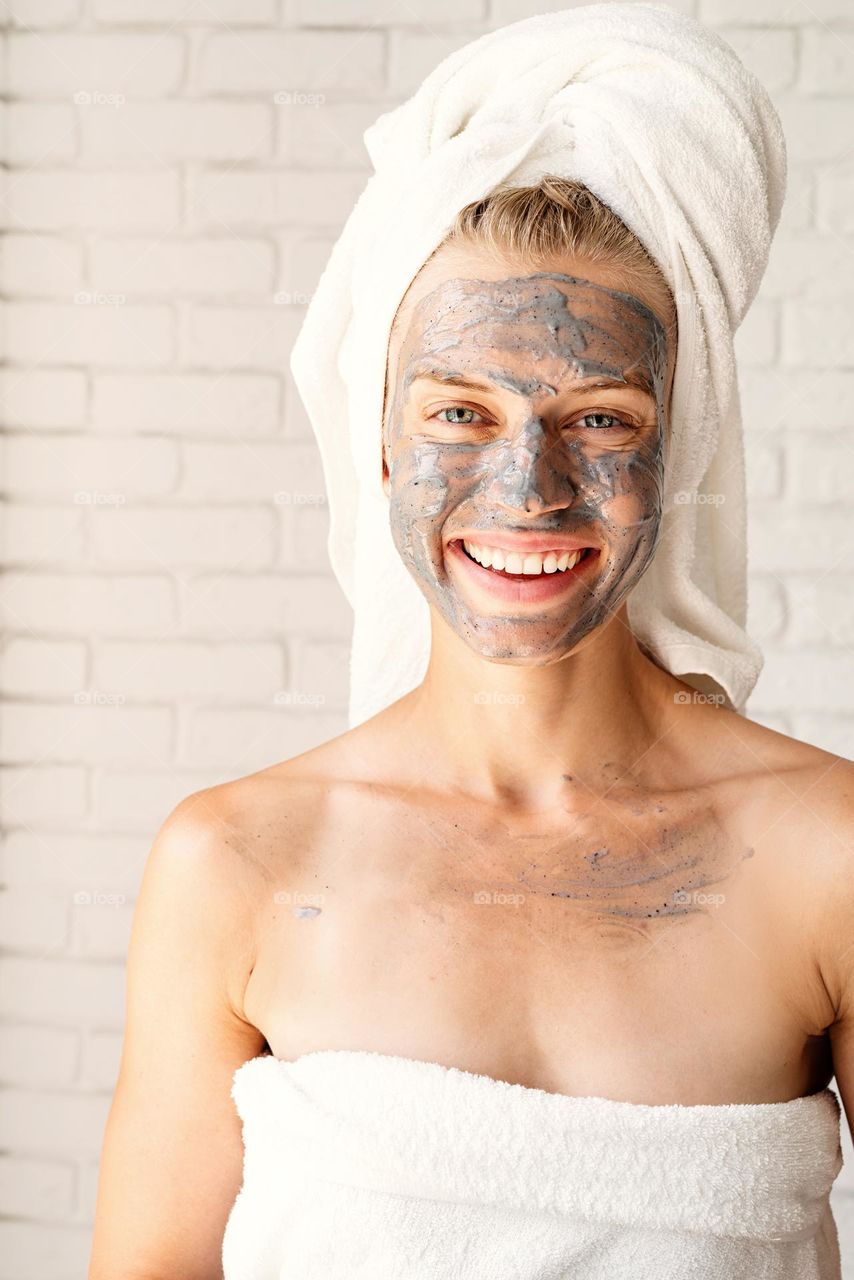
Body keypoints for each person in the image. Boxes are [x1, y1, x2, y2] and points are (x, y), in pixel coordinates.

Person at [87, 7, 854, 1280]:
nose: (526, 486)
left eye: (597, 418)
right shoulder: (234, 862)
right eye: (460, 409)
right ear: (377, 446)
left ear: (680, 451)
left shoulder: (825, 851)